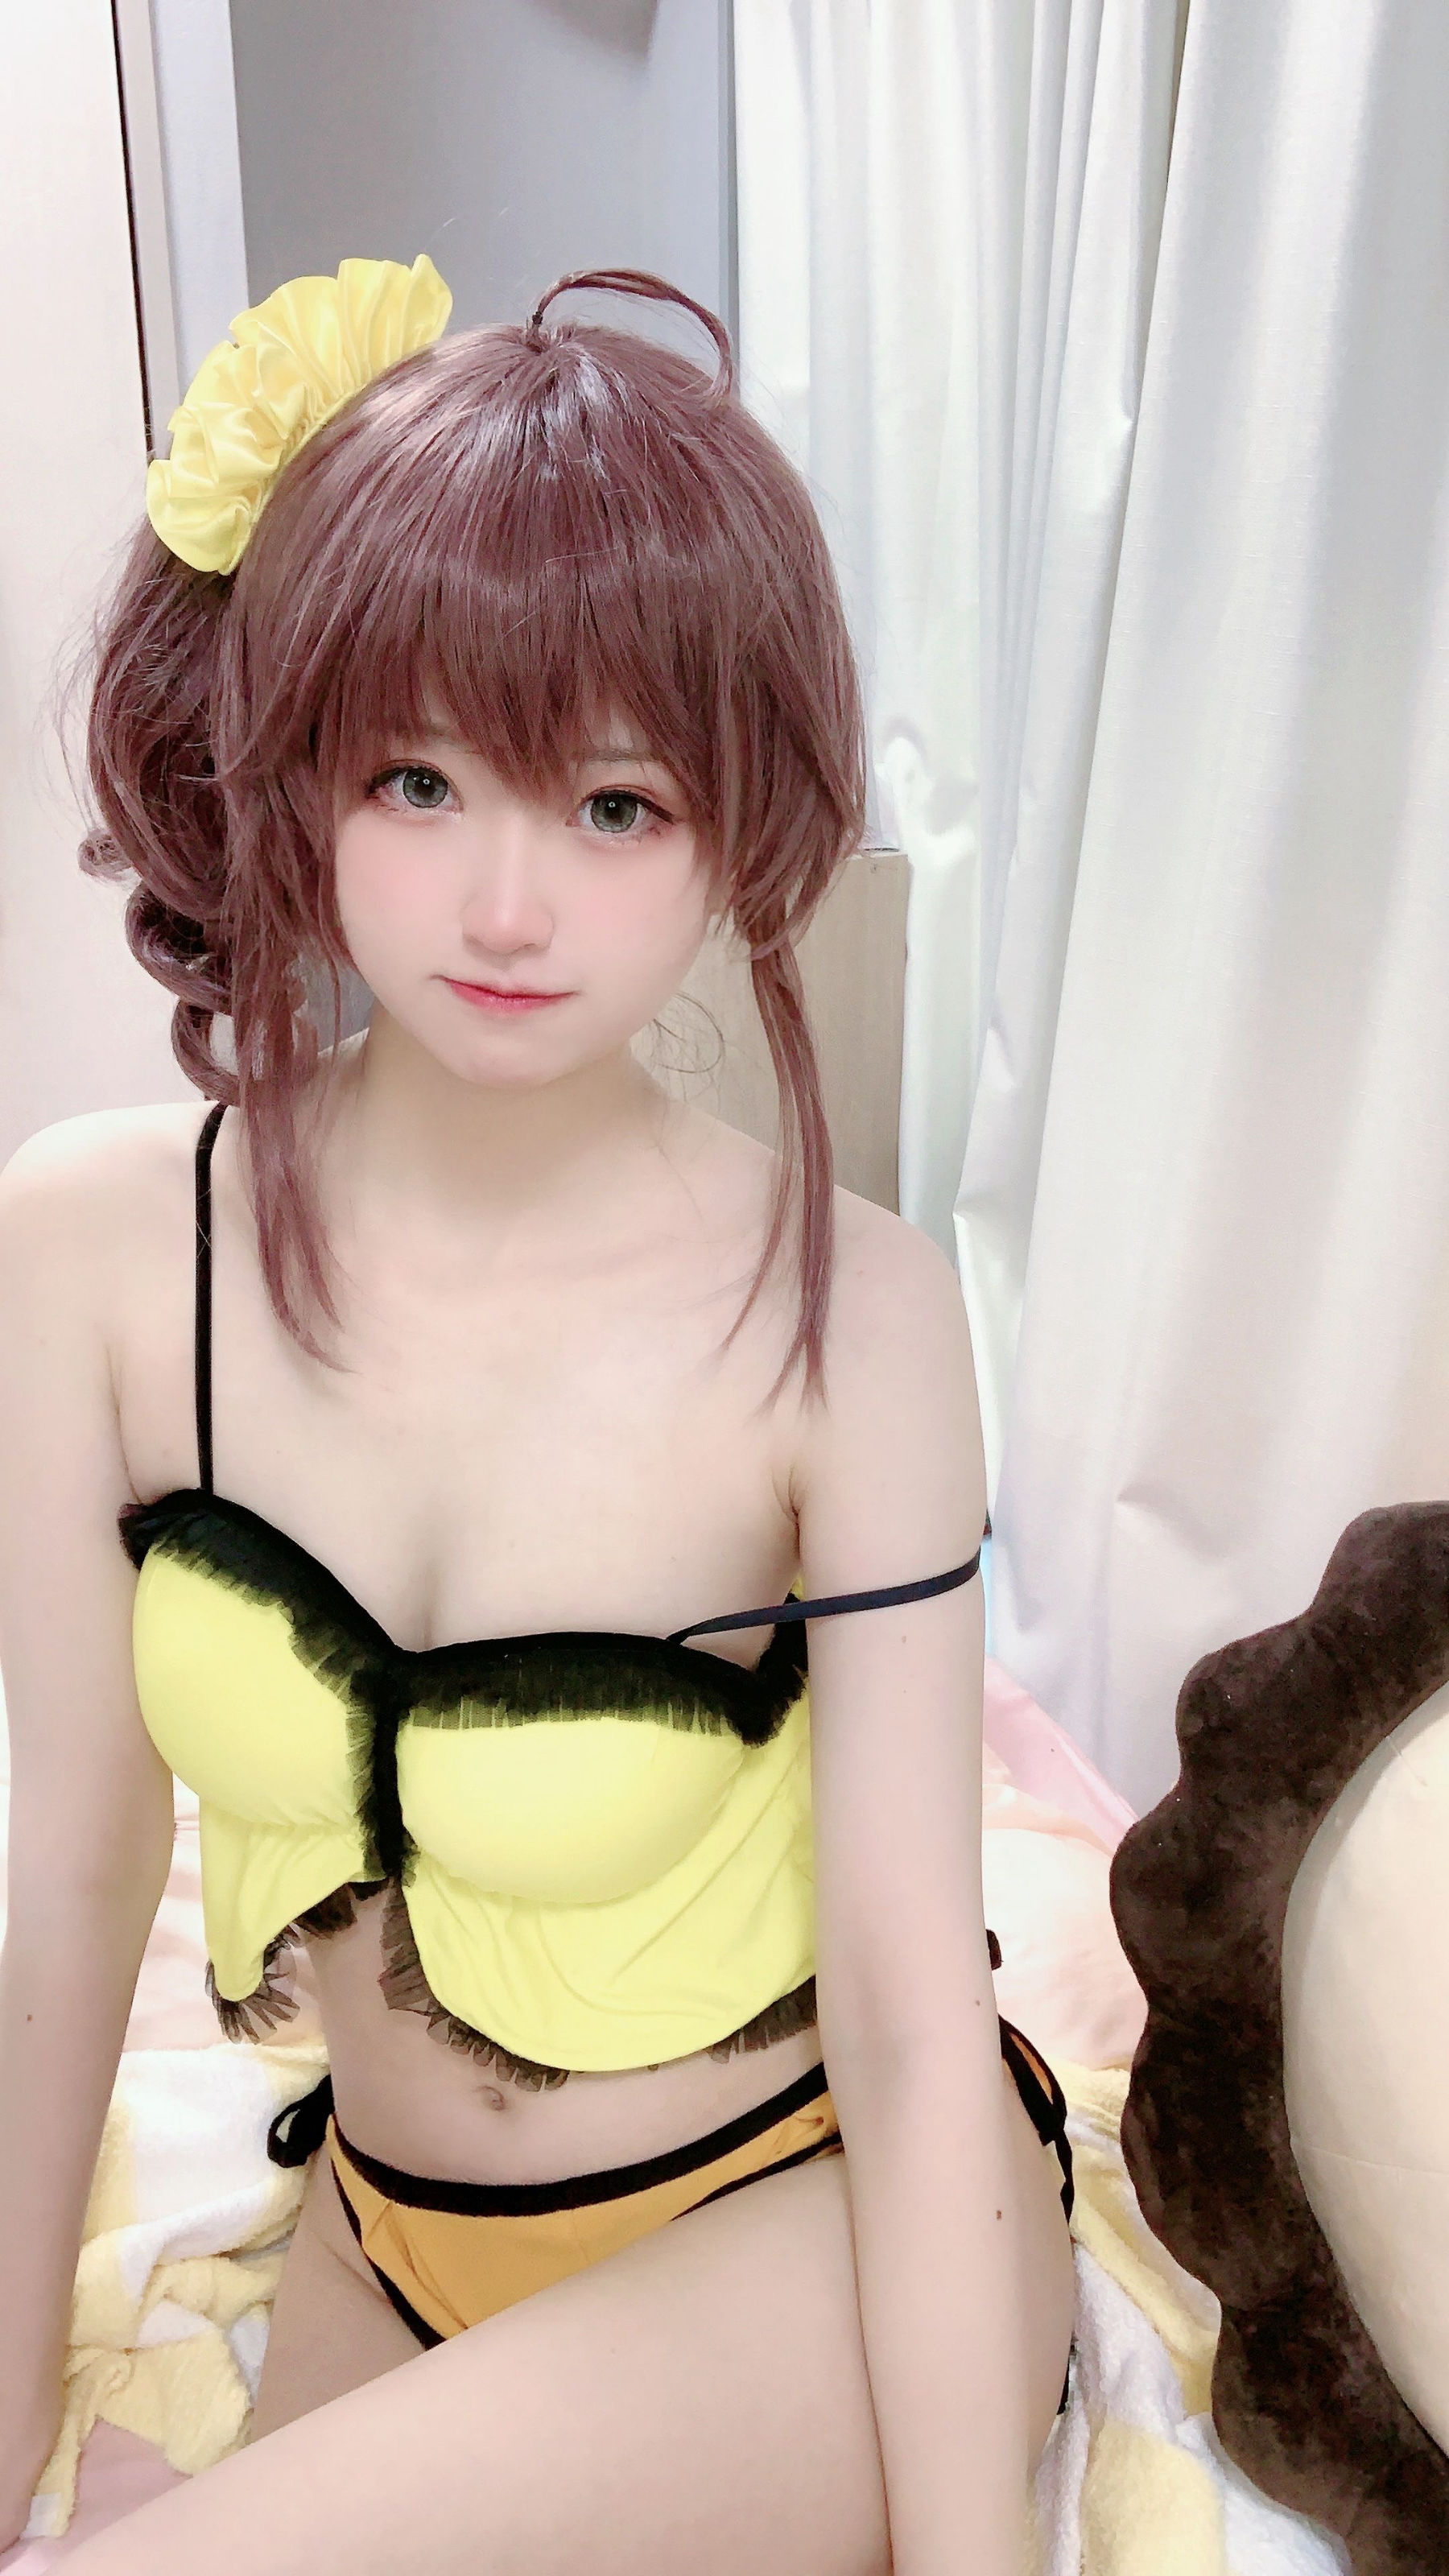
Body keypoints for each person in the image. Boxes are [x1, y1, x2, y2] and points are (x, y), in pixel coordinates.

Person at [0, 256, 1075, 2576]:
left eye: (614, 802)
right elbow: (73, 1877)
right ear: (295, 766)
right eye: (417, 780)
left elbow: (910, 2017)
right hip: (390, 2241)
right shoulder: (94, 1249)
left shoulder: (856, 1320)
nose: (507, 904)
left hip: (808, 2239)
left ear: (740, 823)